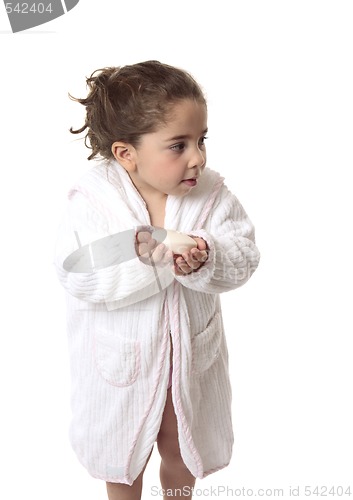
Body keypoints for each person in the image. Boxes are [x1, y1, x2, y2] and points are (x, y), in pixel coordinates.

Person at [54, 60, 260, 500]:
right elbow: (79, 275)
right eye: (178, 145)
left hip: (188, 358)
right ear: (127, 153)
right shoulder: (93, 200)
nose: (197, 157)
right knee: (124, 457)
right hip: (123, 361)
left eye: (201, 140)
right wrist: (154, 262)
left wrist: (205, 257)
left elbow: (243, 255)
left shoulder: (212, 195)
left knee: (180, 446)